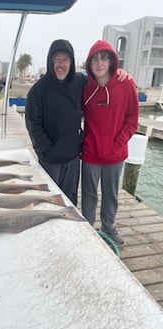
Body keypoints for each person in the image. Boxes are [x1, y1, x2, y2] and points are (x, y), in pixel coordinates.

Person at [25, 39, 128, 206]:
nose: (61, 64)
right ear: (50, 61)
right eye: (56, 59)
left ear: (71, 62)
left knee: (70, 201)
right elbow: (32, 124)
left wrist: (118, 72)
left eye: (65, 60)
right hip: (50, 159)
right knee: (48, 201)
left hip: (73, 158)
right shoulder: (38, 90)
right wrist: (47, 151)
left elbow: (100, 76)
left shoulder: (79, 81)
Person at [81, 40, 139, 244]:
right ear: (89, 63)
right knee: (88, 194)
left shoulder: (126, 83)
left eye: (104, 58)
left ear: (111, 61)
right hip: (90, 154)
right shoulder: (85, 87)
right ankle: (87, 228)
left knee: (110, 194)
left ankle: (108, 227)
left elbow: (133, 120)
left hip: (115, 154)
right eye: (95, 59)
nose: (99, 63)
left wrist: (118, 143)